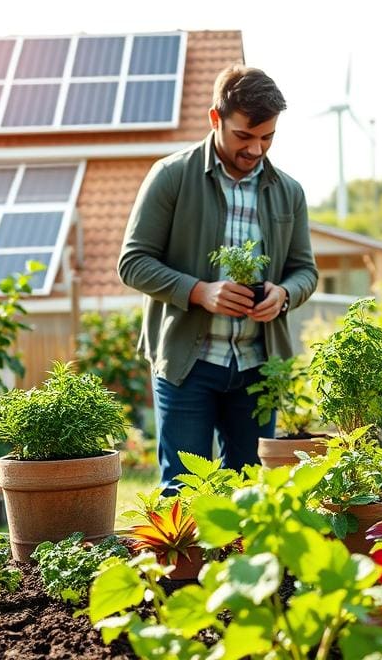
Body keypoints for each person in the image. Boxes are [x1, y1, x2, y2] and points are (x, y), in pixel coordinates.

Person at [118, 65, 318, 490]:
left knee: (252, 492)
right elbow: (132, 262)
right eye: (244, 136)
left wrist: (283, 294)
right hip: (188, 365)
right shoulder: (171, 176)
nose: (256, 149)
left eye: (267, 137)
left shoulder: (289, 191)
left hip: (258, 367)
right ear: (216, 118)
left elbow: (306, 271)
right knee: (186, 491)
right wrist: (198, 291)